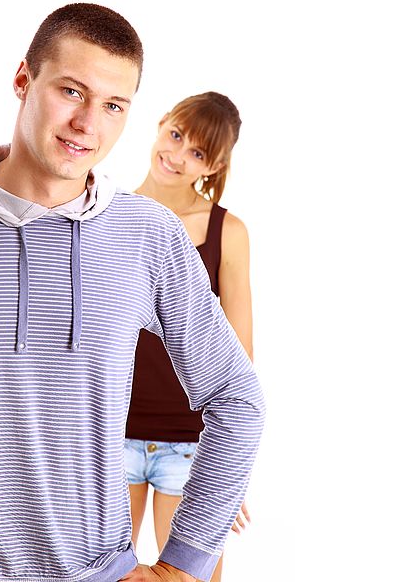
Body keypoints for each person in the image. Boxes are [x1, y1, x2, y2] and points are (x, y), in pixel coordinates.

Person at [0, 3, 264, 582]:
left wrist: (182, 565)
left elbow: (236, 398)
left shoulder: (149, 237)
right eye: (72, 91)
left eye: (113, 106)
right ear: (23, 80)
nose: (88, 123)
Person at [124, 92, 251, 582]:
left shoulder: (227, 232)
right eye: (175, 135)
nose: (177, 156)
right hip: (110, 431)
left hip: (191, 441)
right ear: (159, 126)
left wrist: (230, 469)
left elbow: (239, 356)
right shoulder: (108, 214)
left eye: (196, 152)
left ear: (214, 164)